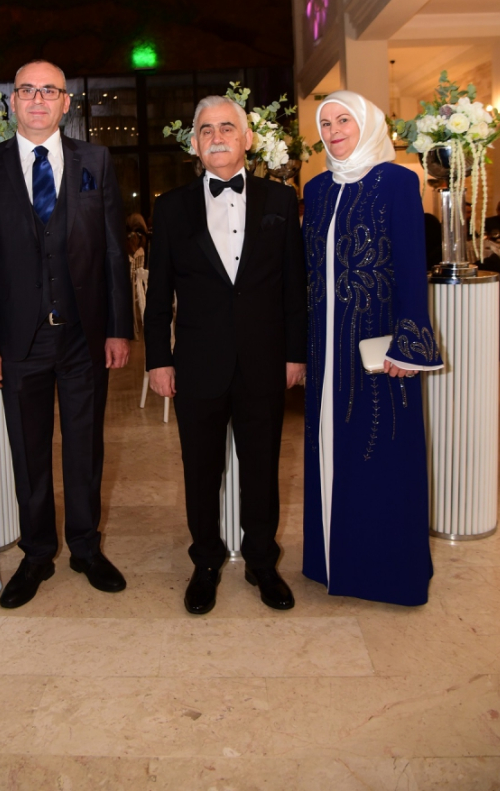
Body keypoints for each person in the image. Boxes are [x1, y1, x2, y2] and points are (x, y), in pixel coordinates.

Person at [0, 61, 133, 610]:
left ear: (66, 102)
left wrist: (118, 328)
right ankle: (37, 553)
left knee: (85, 448)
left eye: (49, 91)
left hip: (84, 335)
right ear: (12, 101)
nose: (38, 99)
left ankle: (85, 548)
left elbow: (114, 251)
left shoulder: (95, 160)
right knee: (27, 451)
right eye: (27, 90)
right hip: (18, 340)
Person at [144, 95, 307, 615]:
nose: (217, 137)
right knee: (200, 470)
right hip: (197, 363)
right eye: (206, 130)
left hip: (265, 359)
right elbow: (158, 294)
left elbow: (294, 287)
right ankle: (206, 561)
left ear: (247, 138)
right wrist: (158, 359)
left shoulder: (280, 199)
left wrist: (295, 353)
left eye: (227, 127)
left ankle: (262, 561)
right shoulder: (171, 207)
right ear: (194, 144)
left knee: (262, 466)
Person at [302, 91, 443, 608]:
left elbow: (411, 266)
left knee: (382, 456)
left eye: (344, 119)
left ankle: (389, 573)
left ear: (367, 124)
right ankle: (330, 563)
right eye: (325, 123)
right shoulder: (317, 189)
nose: (334, 130)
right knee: (331, 450)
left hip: (379, 352)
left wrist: (410, 346)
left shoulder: (398, 181)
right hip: (325, 351)